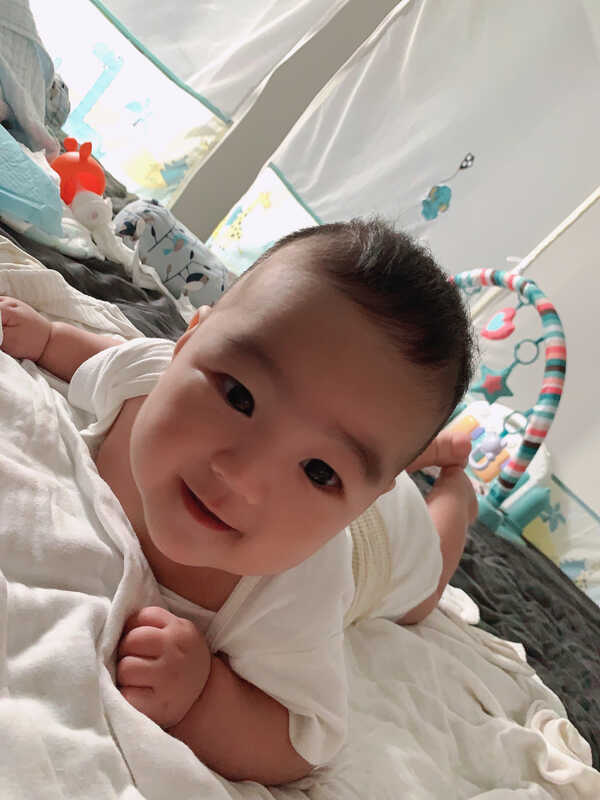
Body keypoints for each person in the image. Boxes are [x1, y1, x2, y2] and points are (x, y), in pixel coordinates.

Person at [0, 218, 477, 786]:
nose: (241, 478)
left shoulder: (295, 593)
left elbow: (305, 741)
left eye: (319, 470)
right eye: (239, 396)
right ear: (188, 342)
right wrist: (47, 338)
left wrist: (204, 698)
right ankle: (407, 458)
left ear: (362, 500)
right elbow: (105, 356)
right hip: (349, 496)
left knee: (428, 586)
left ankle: (457, 487)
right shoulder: (147, 380)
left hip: (379, 550)